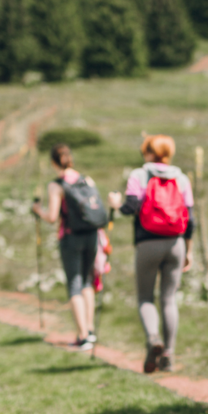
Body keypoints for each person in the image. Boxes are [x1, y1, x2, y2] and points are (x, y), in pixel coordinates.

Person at [108, 135, 195, 373]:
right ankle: (169, 353)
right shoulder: (182, 178)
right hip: (176, 243)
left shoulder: (139, 175)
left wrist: (116, 203)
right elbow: (191, 219)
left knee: (146, 298)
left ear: (147, 152)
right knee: (169, 299)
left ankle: (153, 339)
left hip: (147, 243)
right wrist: (189, 250)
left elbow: (131, 207)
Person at [32, 144, 100, 350]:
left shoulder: (57, 185)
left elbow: (52, 217)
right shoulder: (87, 180)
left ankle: (82, 336)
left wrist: (37, 210)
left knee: (74, 284)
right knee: (87, 281)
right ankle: (90, 330)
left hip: (71, 237)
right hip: (92, 236)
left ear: (54, 162)